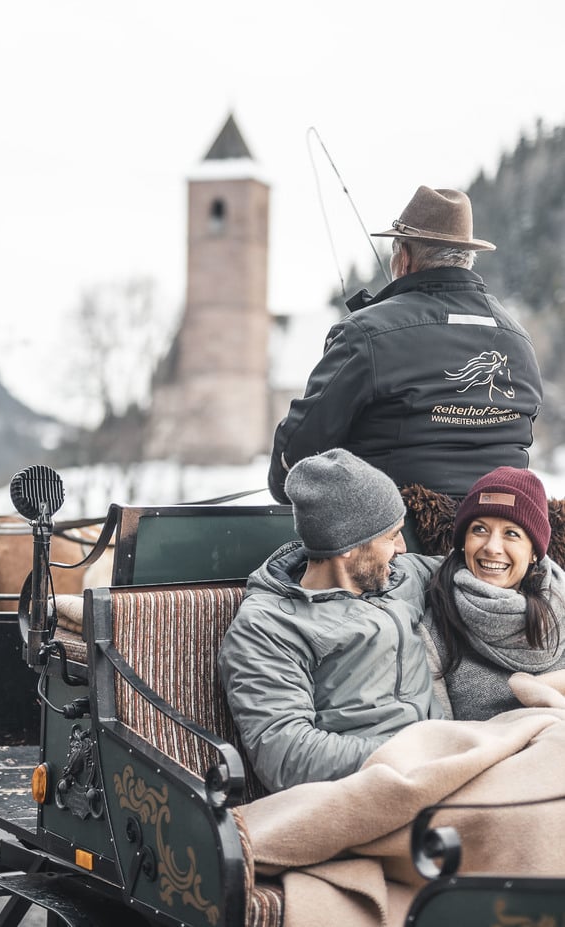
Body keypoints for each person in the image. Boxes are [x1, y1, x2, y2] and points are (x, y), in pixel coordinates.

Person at [268, 186, 544, 508]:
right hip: (497, 537)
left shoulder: (364, 334)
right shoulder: (521, 342)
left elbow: (295, 461)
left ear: (405, 258)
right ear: (467, 259)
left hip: (394, 542)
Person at [218, 448, 444, 793]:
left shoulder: (397, 577)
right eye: (390, 536)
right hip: (365, 789)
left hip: (447, 763)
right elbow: (287, 756)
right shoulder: (268, 627)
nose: (401, 548)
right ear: (347, 546)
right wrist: (412, 756)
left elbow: (473, 572)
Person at [423, 466, 565, 721]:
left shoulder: (561, 603)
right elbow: (438, 736)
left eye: (511, 533)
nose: (492, 547)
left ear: (534, 552)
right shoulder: (435, 627)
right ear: (463, 540)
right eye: (479, 529)